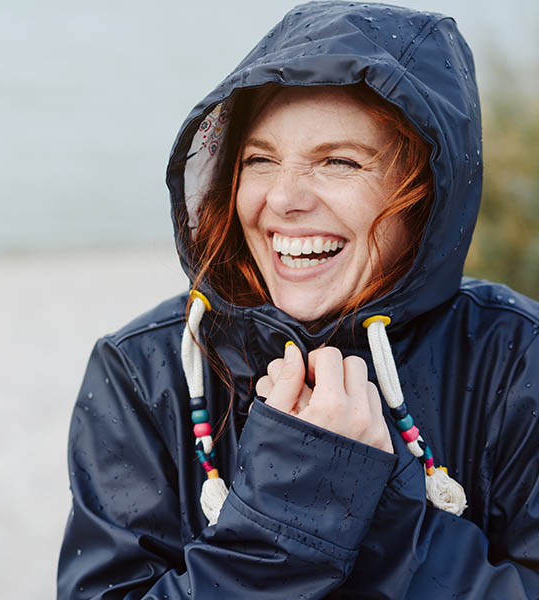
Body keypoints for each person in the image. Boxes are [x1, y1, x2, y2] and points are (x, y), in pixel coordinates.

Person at [57, 1, 539, 597]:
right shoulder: (145, 370)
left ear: (428, 191)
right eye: (259, 159)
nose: (283, 198)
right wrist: (285, 519)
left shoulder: (518, 361)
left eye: (338, 161)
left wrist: (382, 513)